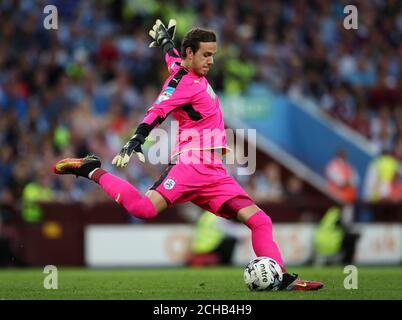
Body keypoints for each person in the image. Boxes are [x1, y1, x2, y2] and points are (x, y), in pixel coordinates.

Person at [53, 19, 323, 291]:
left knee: (259, 220)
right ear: (191, 54)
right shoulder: (180, 82)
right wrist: (137, 139)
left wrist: (167, 44)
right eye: (206, 55)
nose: (211, 61)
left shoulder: (187, 69)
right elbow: (157, 109)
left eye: (213, 55)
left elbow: (173, 60)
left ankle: (282, 278)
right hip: (190, 166)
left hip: (214, 172)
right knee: (144, 210)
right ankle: (91, 169)